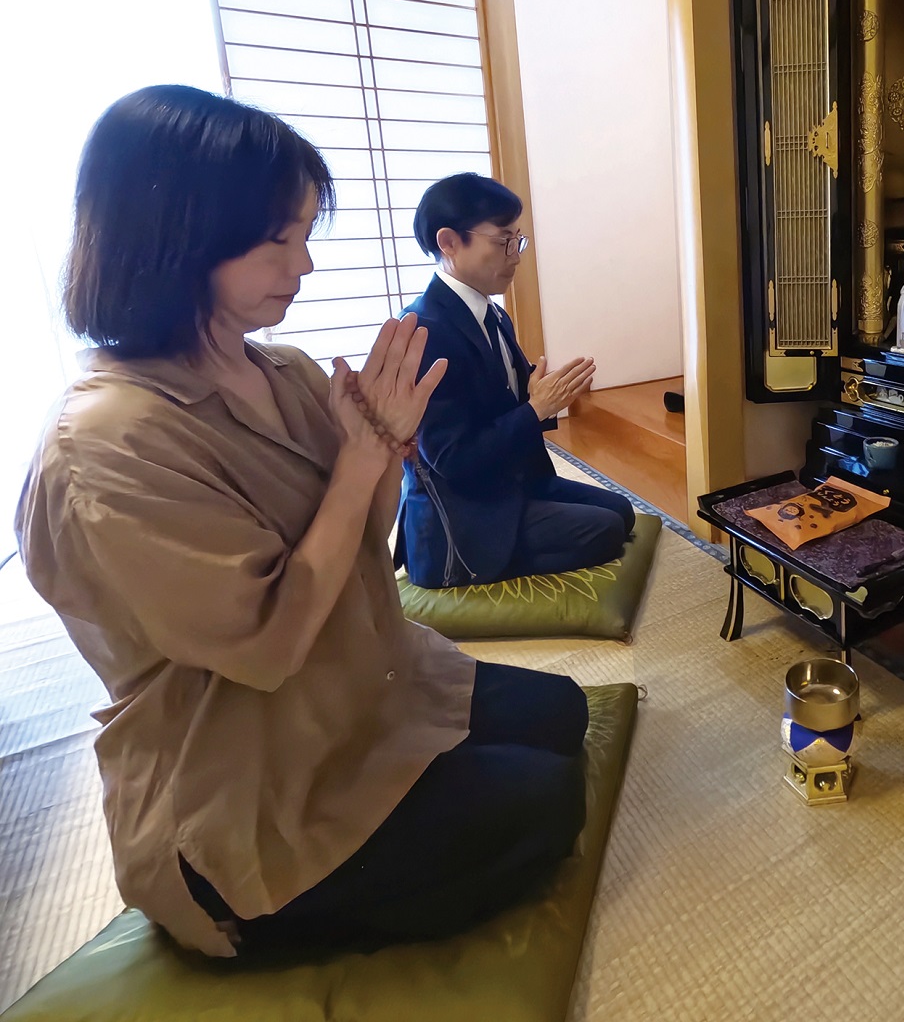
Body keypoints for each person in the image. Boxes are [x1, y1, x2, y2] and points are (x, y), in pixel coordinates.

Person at [16, 86, 590, 958]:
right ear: (179, 235)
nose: (305, 266)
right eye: (282, 240)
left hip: (365, 686)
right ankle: (239, 912)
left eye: (306, 236)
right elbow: (269, 644)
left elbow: (370, 537)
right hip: (254, 774)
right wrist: (368, 456)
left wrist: (386, 452)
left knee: (561, 716)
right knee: (545, 801)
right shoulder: (104, 446)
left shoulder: (281, 370)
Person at [396, 172, 635, 587]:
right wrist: (537, 408)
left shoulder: (493, 313)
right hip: (464, 511)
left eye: (517, 240)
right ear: (449, 242)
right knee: (606, 531)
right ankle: (459, 566)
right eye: (503, 241)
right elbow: (452, 460)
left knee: (622, 512)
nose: (516, 255)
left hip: (508, 482)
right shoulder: (425, 331)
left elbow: (519, 400)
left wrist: (546, 395)